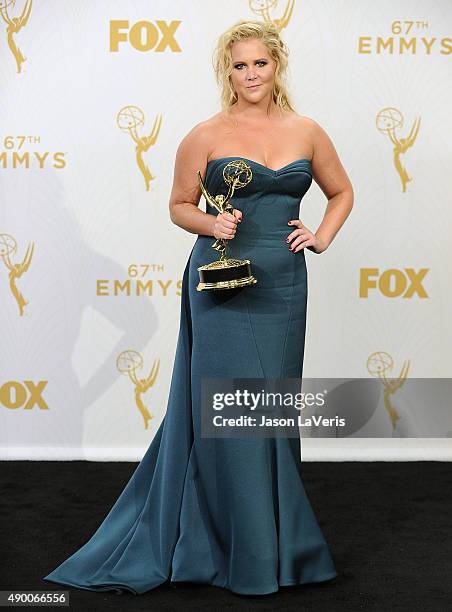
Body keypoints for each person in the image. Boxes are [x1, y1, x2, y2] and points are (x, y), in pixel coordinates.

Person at [43, 19, 353, 596]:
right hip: (221, 281)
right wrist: (214, 221)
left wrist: (322, 235)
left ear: (276, 64)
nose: (250, 74)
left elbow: (342, 191)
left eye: (259, 63)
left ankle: (277, 546)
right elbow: (179, 206)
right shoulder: (205, 134)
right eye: (239, 66)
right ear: (226, 72)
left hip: (282, 283)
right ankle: (230, 546)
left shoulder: (308, 131)